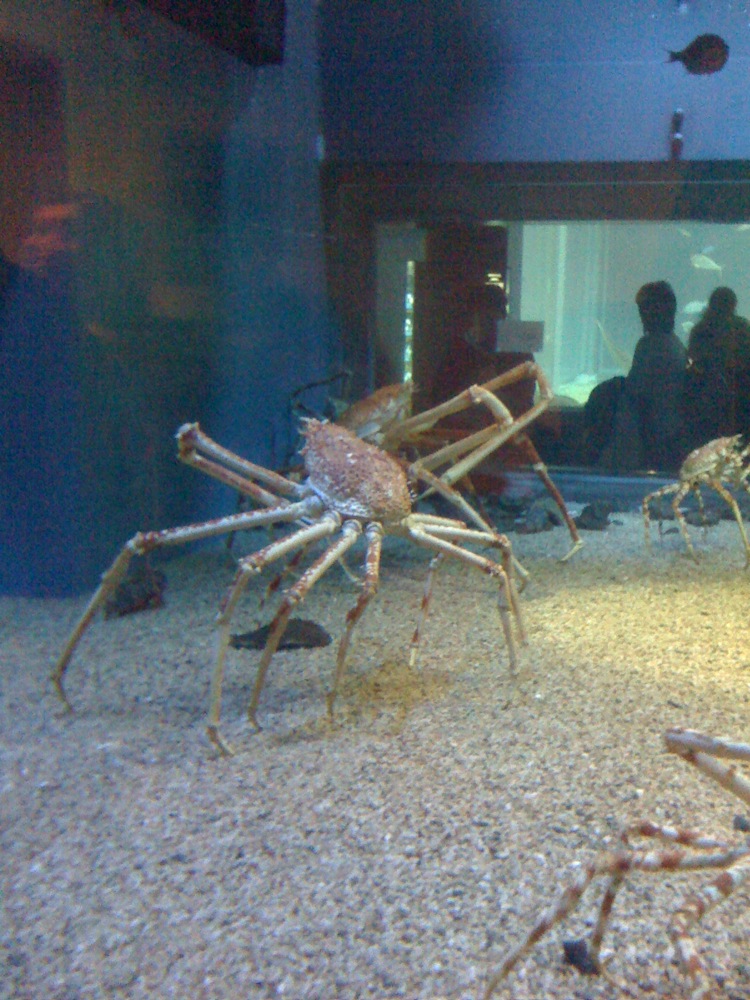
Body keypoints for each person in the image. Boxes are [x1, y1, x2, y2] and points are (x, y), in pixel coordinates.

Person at [588, 281, 689, 471]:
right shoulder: (674, 344)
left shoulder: (650, 345)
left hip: (650, 436)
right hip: (665, 433)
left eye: (644, 309)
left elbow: (637, 393)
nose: (642, 316)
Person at [684, 286, 750, 443]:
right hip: (741, 402)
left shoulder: (699, 331)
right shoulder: (742, 328)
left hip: (707, 405)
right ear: (733, 305)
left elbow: (692, 361)